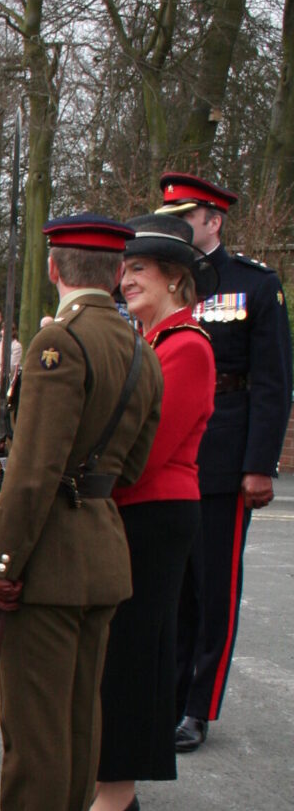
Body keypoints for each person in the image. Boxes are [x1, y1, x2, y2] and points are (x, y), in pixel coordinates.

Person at [0, 214, 163, 811]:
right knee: (76, 718)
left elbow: (33, 471)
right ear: (116, 270)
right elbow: (135, 459)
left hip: (51, 556)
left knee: (36, 722)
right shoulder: (138, 347)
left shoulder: (59, 342)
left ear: (54, 268)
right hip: (101, 544)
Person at [85, 214, 217, 811]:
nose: (126, 277)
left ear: (175, 278)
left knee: (136, 652)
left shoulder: (186, 346)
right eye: (124, 268)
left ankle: (118, 792)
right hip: (130, 508)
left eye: (139, 268)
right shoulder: (146, 340)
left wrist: (86, 476)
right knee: (116, 649)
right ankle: (108, 778)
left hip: (156, 512)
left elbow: (149, 448)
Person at [158, 172, 293, 752]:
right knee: (173, 586)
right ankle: (167, 692)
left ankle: (198, 706)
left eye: (184, 218)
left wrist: (258, 464)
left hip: (224, 452)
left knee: (214, 587)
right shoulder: (166, 280)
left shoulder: (253, 285)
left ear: (214, 221)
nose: (174, 228)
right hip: (171, 453)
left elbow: (272, 382)